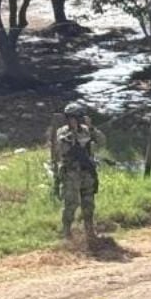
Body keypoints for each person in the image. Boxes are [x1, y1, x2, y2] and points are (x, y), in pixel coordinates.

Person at [55, 102, 106, 242]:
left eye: (77, 117)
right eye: (71, 118)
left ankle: (90, 231)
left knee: (88, 202)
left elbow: (102, 141)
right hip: (71, 173)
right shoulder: (62, 132)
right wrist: (73, 134)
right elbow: (62, 149)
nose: (74, 120)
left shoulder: (87, 130)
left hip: (86, 172)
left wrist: (91, 128)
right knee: (71, 203)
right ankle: (66, 233)